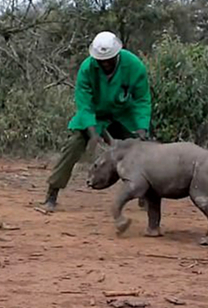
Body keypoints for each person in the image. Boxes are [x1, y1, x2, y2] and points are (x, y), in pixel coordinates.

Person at [43, 31, 152, 212]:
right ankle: (52, 192)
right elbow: (84, 103)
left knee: (143, 149)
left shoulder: (134, 66)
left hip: (123, 115)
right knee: (73, 146)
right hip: (95, 116)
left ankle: (146, 193)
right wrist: (92, 131)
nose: (106, 63)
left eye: (109, 59)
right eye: (102, 60)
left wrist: (141, 127)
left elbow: (142, 100)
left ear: (117, 54)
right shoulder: (87, 68)